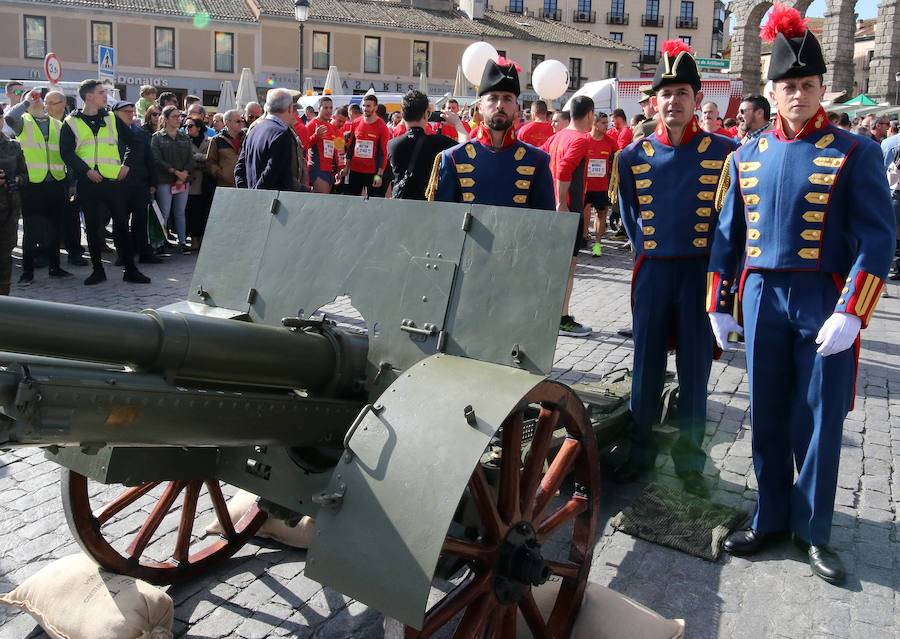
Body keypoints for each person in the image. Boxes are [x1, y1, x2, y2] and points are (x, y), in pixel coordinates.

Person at [707, 6, 895, 584]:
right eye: (788, 86)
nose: (798, 94)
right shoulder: (746, 154)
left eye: (808, 85)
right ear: (771, 91)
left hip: (823, 296)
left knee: (817, 418)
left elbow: (878, 238)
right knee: (766, 412)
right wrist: (718, 301)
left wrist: (853, 311)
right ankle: (769, 517)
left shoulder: (855, 152)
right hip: (762, 296)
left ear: (821, 89)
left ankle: (813, 530)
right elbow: (727, 235)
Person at [613, 39, 739, 497]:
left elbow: (730, 222)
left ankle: (689, 461)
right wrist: (649, 248)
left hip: (699, 274)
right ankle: (640, 451)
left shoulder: (725, 152)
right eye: (665, 93)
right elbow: (630, 216)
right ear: (654, 101)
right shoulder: (631, 156)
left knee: (694, 370)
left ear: (697, 98)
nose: (673, 101)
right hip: (653, 271)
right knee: (644, 365)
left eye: (682, 92)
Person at [60, 79, 150, 285]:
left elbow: (136, 143)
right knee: (92, 228)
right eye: (101, 92)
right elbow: (66, 153)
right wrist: (85, 171)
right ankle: (98, 270)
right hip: (88, 182)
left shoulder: (111, 118)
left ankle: (130, 269)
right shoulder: (70, 122)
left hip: (113, 181)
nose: (105, 96)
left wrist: (126, 165)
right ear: (88, 96)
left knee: (121, 225)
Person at [429, 58, 554, 206]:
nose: (500, 105)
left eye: (507, 99)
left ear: (516, 107)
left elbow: (546, 218)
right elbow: (443, 216)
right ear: (481, 106)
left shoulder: (538, 160)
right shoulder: (453, 158)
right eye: (493, 98)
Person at [4, 88, 72, 284]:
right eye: (32, 98)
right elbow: (9, 118)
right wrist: (26, 102)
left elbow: (66, 154)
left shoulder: (57, 124)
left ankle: (55, 267)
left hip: (56, 182)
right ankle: (27, 272)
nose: (36, 99)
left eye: (38, 98)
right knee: (31, 230)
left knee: (55, 228)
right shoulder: (23, 122)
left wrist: (70, 182)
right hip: (32, 185)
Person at [544, 95, 595, 337]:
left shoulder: (557, 136)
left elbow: (543, 159)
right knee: (568, 267)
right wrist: (561, 202)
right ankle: (561, 318)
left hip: (554, 210)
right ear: (590, 114)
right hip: (568, 211)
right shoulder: (581, 139)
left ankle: (552, 314)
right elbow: (564, 169)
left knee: (556, 266)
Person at [387, 90, 460, 201]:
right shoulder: (440, 142)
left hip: (401, 203)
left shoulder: (392, 144)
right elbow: (467, 148)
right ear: (426, 115)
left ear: (403, 115)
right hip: (429, 203)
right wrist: (458, 123)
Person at [112, 100, 161, 265]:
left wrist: (153, 182)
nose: (130, 115)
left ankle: (144, 252)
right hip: (118, 183)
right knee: (120, 221)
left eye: (131, 112)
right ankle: (123, 254)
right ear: (115, 114)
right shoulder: (110, 134)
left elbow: (150, 159)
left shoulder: (141, 134)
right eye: (125, 112)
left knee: (141, 220)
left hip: (140, 183)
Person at [235, 88, 302, 191]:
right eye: (294, 109)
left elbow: (239, 169)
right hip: (274, 198)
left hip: (256, 196)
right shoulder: (281, 134)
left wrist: (247, 194)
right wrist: (257, 193)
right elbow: (272, 173)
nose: (297, 114)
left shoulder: (254, 130)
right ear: (289, 108)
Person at [150, 104, 194, 254]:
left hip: (182, 180)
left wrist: (184, 174)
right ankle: (160, 243)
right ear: (166, 119)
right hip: (165, 180)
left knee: (180, 212)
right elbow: (157, 159)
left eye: (179, 116)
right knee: (164, 212)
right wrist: (176, 172)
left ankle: (182, 242)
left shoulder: (184, 137)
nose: (178, 119)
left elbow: (190, 158)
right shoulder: (157, 137)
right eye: (174, 116)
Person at [341, 94, 390, 197]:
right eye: (363, 106)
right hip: (355, 170)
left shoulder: (382, 126)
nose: (365, 108)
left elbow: (383, 153)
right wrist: (346, 167)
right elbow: (351, 146)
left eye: (368, 106)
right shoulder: (355, 123)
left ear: (375, 107)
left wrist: (379, 176)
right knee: (352, 199)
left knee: (372, 202)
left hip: (372, 172)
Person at [584, 111, 618, 256]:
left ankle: (597, 245)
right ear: (594, 124)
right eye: (603, 123)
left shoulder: (611, 142)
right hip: (584, 186)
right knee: (580, 214)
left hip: (602, 186)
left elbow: (617, 160)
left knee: (601, 214)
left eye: (607, 122)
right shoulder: (584, 139)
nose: (607, 125)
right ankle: (581, 239)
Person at [0, 129, 25, 294]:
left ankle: (4, 299)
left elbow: (25, 175)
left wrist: (17, 179)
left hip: (9, 212)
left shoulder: (13, 146)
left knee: (4, 258)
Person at [184, 116, 212, 252]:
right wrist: (202, 158)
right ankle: (194, 239)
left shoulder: (209, 141)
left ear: (198, 128)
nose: (187, 128)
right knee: (192, 211)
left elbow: (210, 158)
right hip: (192, 181)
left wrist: (196, 157)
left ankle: (202, 239)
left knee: (204, 211)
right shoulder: (184, 141)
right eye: (185, 126)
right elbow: (187, 159)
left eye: (190, 126)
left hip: (206, 181)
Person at [305, 96, 341, 194]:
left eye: (331, 108)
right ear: (319, 108)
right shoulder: (312, 125)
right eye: (325, 108)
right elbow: (304, 146)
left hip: (329, 170)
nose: (329, 111)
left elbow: (336, 151)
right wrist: (316, 136)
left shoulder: (332, 128)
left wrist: (338, 170)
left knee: (324, 199)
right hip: (317, 169)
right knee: (322, 199)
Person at [207, 109, 242, 188]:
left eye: (241, 121)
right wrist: (221, 174)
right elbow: (210, 162)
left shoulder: (246, 139)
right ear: (227, 123)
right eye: (238, 121)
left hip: (243, 184)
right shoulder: (216, 140)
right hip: (224, 186)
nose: (241, 124)